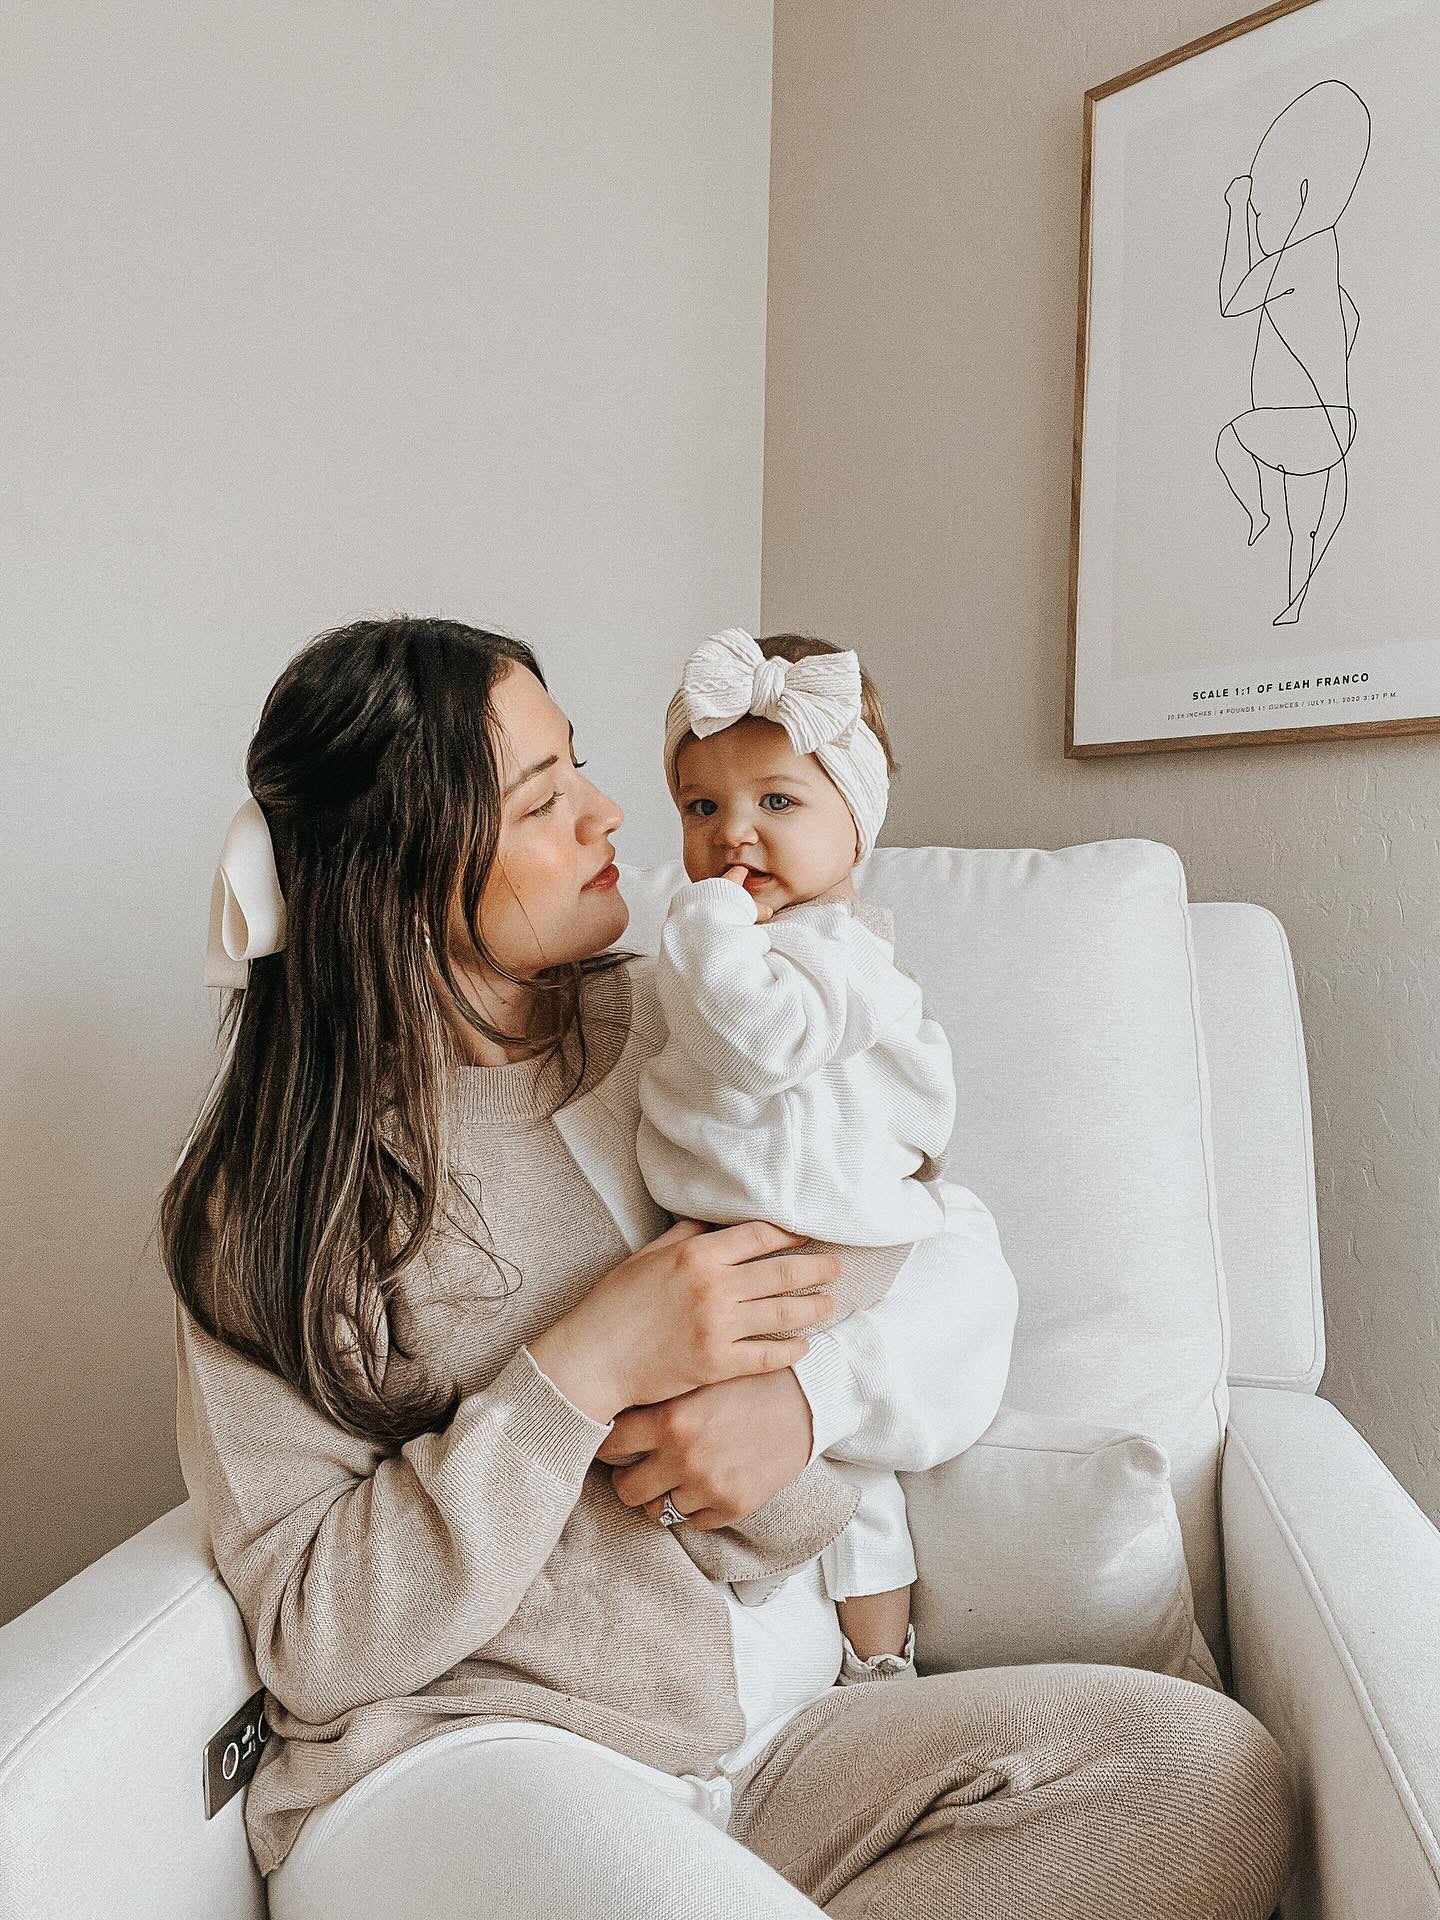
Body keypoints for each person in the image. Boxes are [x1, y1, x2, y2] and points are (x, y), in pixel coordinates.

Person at [162, 615, 1299, 1918]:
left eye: (581, 765)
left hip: (769, 1754)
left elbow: (942, 1256)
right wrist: (579, 1366)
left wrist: (810, 1401)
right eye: (545, 800)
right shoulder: (277, 1201)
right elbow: (317, 1637)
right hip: (467, 1761)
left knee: (1201, 1770)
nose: (607, 814)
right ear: (408, 871)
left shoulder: (687, 1019)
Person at [635, 627, 956, 1675]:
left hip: (833, 1242)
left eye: (778, 802)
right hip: (742, 1235)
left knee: (847, 1465)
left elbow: (765, 1041)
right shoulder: (728, 954)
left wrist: (707, 924)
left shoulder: (843, 956)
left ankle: (878, 1659)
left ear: (854, 826)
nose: (735, 835)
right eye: (702, 806)